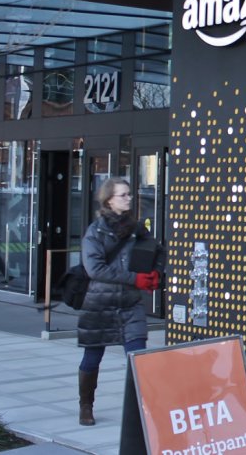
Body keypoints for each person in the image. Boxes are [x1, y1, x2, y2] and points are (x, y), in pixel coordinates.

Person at [76, 178, 161, 426]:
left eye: (128, 194)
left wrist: (156, 273)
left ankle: (143, 409)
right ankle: (85, 406)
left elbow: (158, 250)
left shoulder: (136, 229)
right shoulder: (95, 231)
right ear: (109, 200)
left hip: (130, 304)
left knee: (138, 358)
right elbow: (95, 269)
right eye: (122, 195)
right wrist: (136, 278)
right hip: (99, 304)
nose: (128, 198)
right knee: (92, 358)